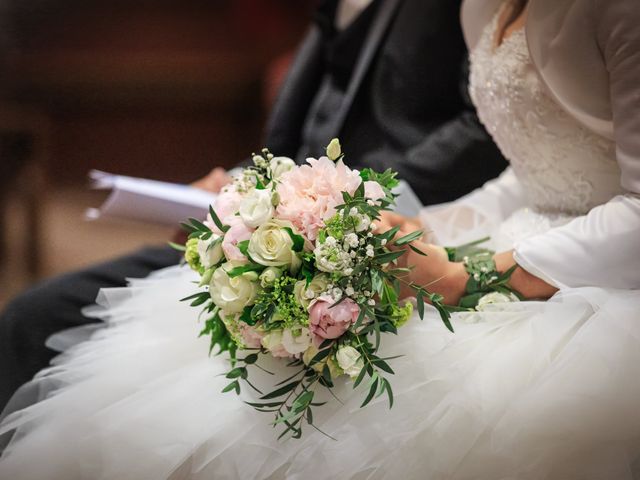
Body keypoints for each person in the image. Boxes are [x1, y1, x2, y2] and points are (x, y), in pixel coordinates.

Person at [4, 0, 638, 477]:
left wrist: (473, 275)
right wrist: (421, 228)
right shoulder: (485, 4)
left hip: (592, 271)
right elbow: (530, 164)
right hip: (488, 226)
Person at [0, 0, 507, 410]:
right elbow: (303, 140)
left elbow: (485, 123)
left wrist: (348, 209)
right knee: (29, 319)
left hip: (385, 237)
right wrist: (244, 187)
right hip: (270, 237)